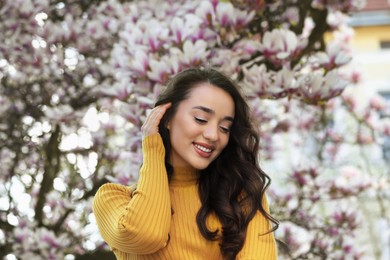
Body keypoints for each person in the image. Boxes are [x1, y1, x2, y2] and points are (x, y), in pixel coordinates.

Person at [93, 67, 278, 259]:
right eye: (200, 119)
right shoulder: (113, 199)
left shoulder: (241, 197)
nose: (213, 135)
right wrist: (153, 148)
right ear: (167, 117)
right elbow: (146, 236)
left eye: (225, 128)